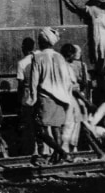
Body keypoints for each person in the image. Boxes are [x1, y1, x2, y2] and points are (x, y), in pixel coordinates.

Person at [60, 0, 105, 90]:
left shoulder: (93, 10)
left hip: (103, 47)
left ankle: (104, 96)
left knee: (102, 76)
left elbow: (77, 7)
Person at [28, 27, 73, 164]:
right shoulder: (59, 57)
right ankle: (58, 159)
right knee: (56, 129)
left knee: (40, 130)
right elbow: (67, 79)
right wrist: (67, 97)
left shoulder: (37, 57)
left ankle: (61, 152)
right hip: (60, 97)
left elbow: (34, 81)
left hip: (45, 97)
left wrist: (33, 98)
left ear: (41, 42)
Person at [16, 37, 36, 156]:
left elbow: (20, 85)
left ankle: (32, 151)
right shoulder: (37, 59)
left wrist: (19, 101)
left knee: (29, 125)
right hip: (38, 95)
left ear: (23, 47)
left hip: (27, 97)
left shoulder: (21, 63)